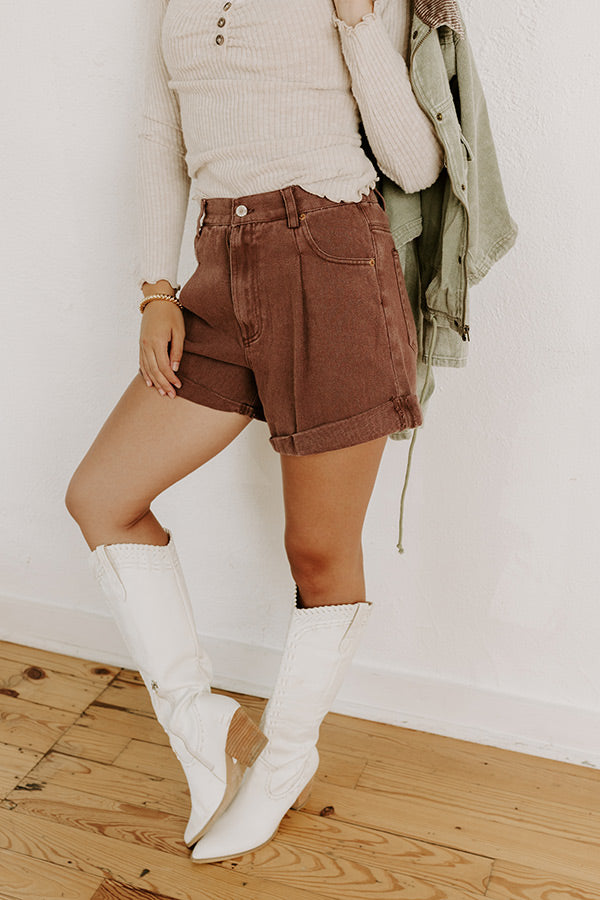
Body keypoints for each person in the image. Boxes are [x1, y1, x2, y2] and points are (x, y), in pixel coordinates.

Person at [64, 0, 444, 863]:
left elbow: (414, 164)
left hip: (333, 261)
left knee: (317, 549)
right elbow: (160, 130)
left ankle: (285, 760)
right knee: (102, 497)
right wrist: (156, 289)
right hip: (217, 268)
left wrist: (358, 23)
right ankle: (203, 724)